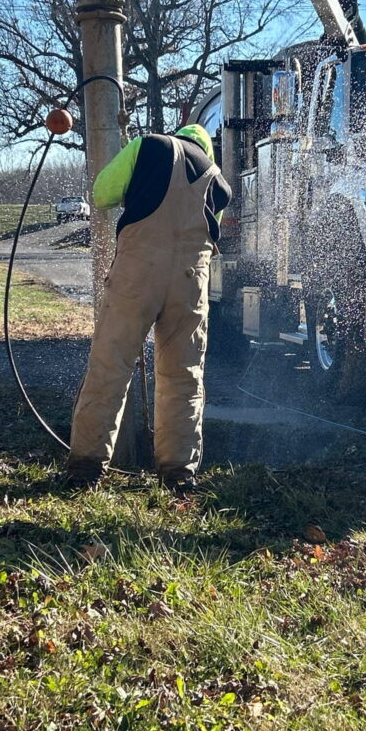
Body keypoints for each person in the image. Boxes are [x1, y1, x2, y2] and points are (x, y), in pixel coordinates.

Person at [67, 124, 232, 490]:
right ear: (206, 149)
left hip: (136, 276)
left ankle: (86, 469)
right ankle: (178, 473)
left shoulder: (149, 146)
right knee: (183, 375)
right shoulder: (218, 182)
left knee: (112, 364)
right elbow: (208, 237)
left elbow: (102, 195)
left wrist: (137, 181)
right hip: (190, 283)